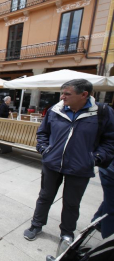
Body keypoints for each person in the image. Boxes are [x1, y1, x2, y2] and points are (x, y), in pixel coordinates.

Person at [23, 79, 114, 243]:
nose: (62, 97)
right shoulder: (55, 110)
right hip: (52, 164)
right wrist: (44, 150)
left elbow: (110, 141)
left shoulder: (102, 112)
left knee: (72, 204)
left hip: (80, 168)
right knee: (45, 197)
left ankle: (67, 232)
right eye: (62, 93)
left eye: (67, 94)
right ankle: (36, 225)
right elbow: (42, 133)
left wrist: (96, 158)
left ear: (84, 95)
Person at [92, 158, 114, 239]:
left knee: (110, 202)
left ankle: (98, 221)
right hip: (110, 173)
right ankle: (108, 241)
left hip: (108, 170)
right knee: (111, 210)